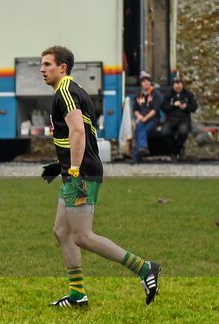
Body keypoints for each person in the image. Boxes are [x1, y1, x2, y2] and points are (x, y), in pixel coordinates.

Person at [39, 45, 161, 307]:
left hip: (81, 174)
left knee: (83, 236)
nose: (42, 69)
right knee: (62, 231)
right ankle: (77, 295)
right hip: (76, 171)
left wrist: (73, 170)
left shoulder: (67, 92)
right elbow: (80, 134)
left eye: (47, 64)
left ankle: (144, 267)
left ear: (63, 67)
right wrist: (58, 164)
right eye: (42, 64)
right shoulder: (71, 91)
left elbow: (78, 133)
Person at [162, 77, 197, 160]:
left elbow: (194, 107)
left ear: (182, 85)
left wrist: (186, 106)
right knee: (165, 133)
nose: (178, 87)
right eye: (176, 85)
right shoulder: (168, 94)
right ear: (173, 86)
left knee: (183, 132)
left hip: (184, 119)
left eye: (179, 85)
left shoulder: (188, 94)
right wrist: (173, 105)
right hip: (170, 120)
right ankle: (175, 149)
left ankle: (175, 152)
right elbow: (163, 107)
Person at [131, 71, 162, 163]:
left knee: (140, 130)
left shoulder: (156, 94)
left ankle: (137, 156)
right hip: (142, 119)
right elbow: (135, 110)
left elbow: (155, 110)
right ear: (141, 83)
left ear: (150, 83)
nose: (146, 83)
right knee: (139, 128)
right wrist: (139, 116)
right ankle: (142, 149)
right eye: (144, 81)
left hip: (153, 119)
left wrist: (144, 118)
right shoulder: (138, 95)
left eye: (148, 81)